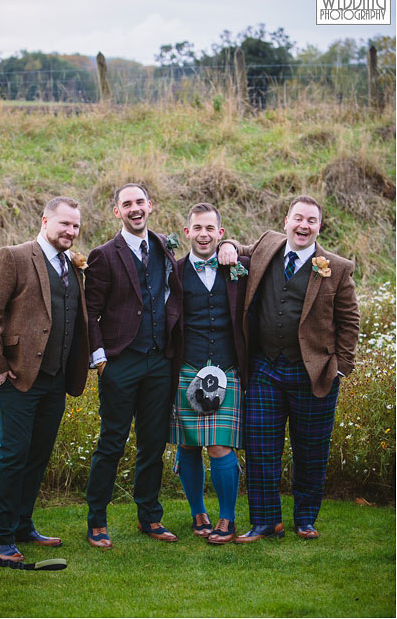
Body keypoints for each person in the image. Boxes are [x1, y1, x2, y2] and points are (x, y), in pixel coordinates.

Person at [217, 196, 359, 542]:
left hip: (315, 374)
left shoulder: (336, 267)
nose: (303, 226)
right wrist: (227, 245)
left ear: (319, 227)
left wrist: (340, 367)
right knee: (261, 448)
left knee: (311, 451)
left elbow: (350, 321)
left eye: (311, 220)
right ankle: (266, 523)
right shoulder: (268, 245)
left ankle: (305, 520)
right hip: (265, 369)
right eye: (298, 218)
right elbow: (241, 246)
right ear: (286, 220)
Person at [0, 196, 89, 562]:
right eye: (64, 224)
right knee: (13, 454)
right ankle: (1, 536)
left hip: (55, 378)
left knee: (37, 455)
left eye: (76, 225)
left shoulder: (72, 265)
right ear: (45, 221)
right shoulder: (15, 256)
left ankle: (23, 524)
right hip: (16, 376)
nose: (71, 231)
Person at [84, 183, 183, 548]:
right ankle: (96, 520)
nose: (135, 208)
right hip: (120, 363)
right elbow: (90, 312)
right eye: (127, 204)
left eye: (140, 202)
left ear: (150, 206)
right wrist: (101, 361)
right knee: (111, 443)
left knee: (152, 445)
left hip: (159, 362)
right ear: (117, 212)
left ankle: (150, 517)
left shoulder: (162, 247)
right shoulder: (103, 255)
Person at [170, 203, 250, 545]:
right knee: (188, 445)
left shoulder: (238, 267)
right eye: (196, 228)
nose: (203, 234)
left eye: (210, 229)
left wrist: (234, 245)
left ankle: (227, 518)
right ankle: (197, 512)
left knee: (219, 445)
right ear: (187, 233)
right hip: (186, 367)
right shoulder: (172, 271)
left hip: (228, 368)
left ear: (219, 233)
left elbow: (271, 245)